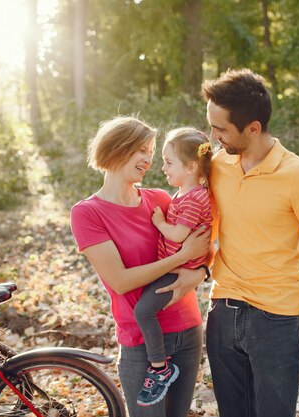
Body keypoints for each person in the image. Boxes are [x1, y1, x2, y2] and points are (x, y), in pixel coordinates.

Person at [201, 69, 299, 417]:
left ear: (253, 128)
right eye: (211, 126)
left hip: (275, 321)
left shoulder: (297, 175)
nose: (213, 136)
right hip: (222, 312)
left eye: (221, 129)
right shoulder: (218, 164)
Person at [70, 116, 210, 417]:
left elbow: (203, 246)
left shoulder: (160, 199)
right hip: (139, 340)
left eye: (152, 152)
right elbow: (120, 281)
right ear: (117, 148)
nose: (148, 159)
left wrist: (200, 271)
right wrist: (179, 258)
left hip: (187, 330)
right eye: (142, 150)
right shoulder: (88, 213)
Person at [134, 127, 213, 406]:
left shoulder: (195, 198)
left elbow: (179, 235)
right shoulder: (184, 193)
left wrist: (159, 223)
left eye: (169, 162)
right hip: (173, 267)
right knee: (144, 308)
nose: (162, 167)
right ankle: (159, 365)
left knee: (143, 311)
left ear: (191, 167)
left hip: (177, 271)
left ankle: (159, 368)